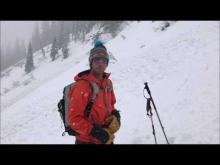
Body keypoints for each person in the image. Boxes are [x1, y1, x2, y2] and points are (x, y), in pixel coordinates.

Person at [68, 40, 120, 144]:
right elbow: (74, 119)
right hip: (87, 140)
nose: (100, 64)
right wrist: (97, 133)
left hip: (106, 138)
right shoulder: (82, 86)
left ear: (107, 63)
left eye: (103, 61)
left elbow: (111, 105)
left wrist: (116, 116)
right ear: (91, 62)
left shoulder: (108, 83)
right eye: (97, 60)